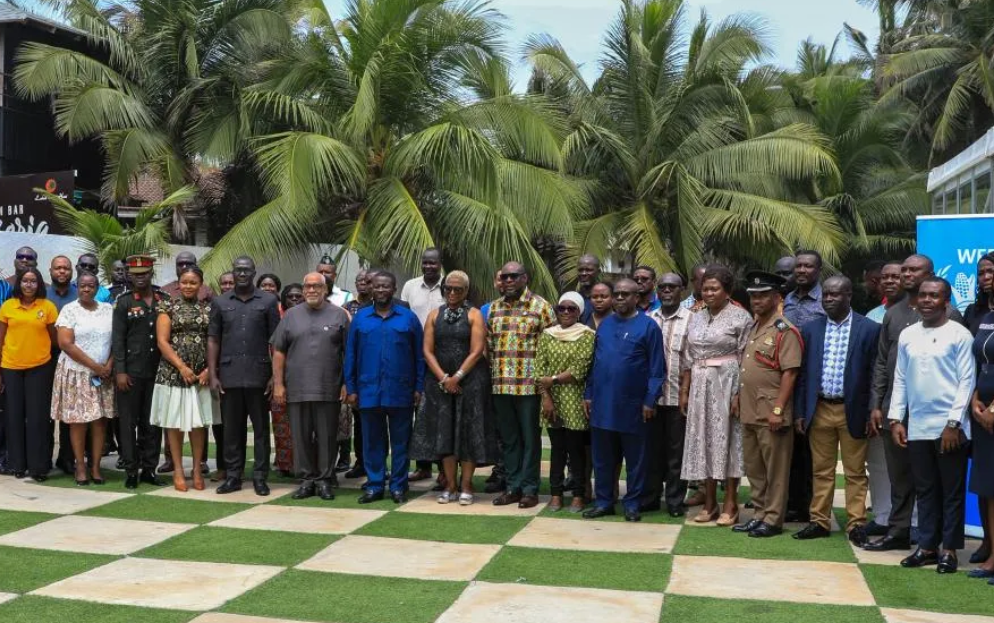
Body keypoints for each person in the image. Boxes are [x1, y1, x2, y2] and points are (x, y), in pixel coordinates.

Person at [866, 254, 963, 552]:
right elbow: (882, 363)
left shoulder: (952, 318)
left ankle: (929, 537)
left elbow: (961, 373)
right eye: (904, 269)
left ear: (930, 274)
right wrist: (877, 403)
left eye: (914, 270)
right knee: (899, 475)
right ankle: (898, 530)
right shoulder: (893, 314)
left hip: (936, 413)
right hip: (896, 407)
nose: (907, 274)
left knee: (933, 479)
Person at [889, 277, 973, 574]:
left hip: (951, 427)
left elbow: (966, 382)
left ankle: (948, 550)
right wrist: (896, 419)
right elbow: (900, 378)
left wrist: (954, 423)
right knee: (925, 489)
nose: (926, 300)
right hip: (918, 425)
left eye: (933, 296)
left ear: (946, 301)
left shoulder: (959, 335)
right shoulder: (908, 335)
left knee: (951, 491)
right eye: (923, 295)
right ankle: (926, 547)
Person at [794, 276, 880, 546]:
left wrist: (871, 411)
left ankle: (856, 524)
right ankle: (819, 520)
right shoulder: (811, 329)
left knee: (855, 471)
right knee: (821, 469)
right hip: (819, 408)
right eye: (826, 295)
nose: (829, 299)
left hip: (852, 409)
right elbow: (803, 376)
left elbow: (874, 374)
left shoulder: (868, 329)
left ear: (849, 296)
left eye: (835, 294)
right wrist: (800, 411)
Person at [583, 278, 665, 522]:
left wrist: (651, 399)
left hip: (633, 406)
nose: (620, 298)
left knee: (636, 459)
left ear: (637, 298)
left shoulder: (649, 327)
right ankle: (604, 501)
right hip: (602, 404)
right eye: (617, 294)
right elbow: (594, 363)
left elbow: (657, 369)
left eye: (625, 294)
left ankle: (632, 504)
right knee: (602, 458)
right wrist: (588, 394)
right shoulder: (605, 325)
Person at [412, 271, 495, 505]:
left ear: (466, 291)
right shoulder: (434, 315)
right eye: (448, 288)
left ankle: (467, 484)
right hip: (440, 383)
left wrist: (457, 377)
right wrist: (444, 378)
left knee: (467, 432)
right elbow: (427, 350)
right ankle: (451, 484)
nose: (452, 293)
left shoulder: (475, 315)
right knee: (445, 432)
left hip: (470, 382)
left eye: (458, 289)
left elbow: (477, 350)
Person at [681, 266, 754, 524]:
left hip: (727, 382)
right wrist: (685, 390)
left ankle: (731, 504)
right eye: (705, 288)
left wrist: (739, 395)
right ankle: (710, 502)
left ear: (727, 291)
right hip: (700, 384)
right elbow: (688, 355)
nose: (708, 293)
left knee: (728, 441)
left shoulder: (741, 317)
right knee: (704, 440)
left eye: (714, 288)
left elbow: (746, 357)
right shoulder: (696, 316)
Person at [731, 271, 802, 538]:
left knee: (776, 470)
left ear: (776, 298)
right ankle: (759, 513)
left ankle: (773, 519)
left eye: (762, 296)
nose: (757, 301)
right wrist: (738, 398)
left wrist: (778, 409)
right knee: (754, 467)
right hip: (750, 408)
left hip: (771, 410)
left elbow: (790, 372)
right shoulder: (754, 326)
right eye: (753, 296)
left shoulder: (785, 329)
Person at [345, 271, 424, 504]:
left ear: (394, 288)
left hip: (401, 390)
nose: (380, 290)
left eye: (385, 287)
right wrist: (351, 387)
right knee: (372, 441)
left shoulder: (408, 318)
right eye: (377, 286)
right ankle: (375, 485)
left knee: (401, 442)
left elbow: (419, 356)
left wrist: (418, 386)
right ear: (371, 288)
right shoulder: (361, 318)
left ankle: (399, 486)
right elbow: (351, 355)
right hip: (368, 390)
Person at [272, 272, 350, 501]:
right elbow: (278, 351)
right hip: (297, 388)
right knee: (301, 436)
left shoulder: (339, 315)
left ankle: (325, 480)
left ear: (326, 290)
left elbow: (349, 353)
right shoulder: (290, 316)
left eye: (317, 286)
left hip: (329, 388)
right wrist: (278, 384)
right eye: (308, 286)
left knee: (327, 438)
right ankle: (307, 480)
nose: (312, 290)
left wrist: (346, 383)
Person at [209, 256, 281, 496]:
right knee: (231, 429)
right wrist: (213, 373)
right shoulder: (219, 302)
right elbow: (213, 339)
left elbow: (276, 341)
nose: (242, 274)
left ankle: (260, 476)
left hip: (259, 375)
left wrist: (274, 376)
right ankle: (233, 476)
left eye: (246, 270)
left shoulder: (269, 301)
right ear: (232, 272)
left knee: (261, 429)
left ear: (253, 272)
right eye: (238, 270)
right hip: (229, 374)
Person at [488, 261, 555, 509]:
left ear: (524, 278)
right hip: (501, 386)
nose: (508, 281)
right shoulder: (494, 309)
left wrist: (545, 389)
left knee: (530, 439)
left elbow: (550, 350)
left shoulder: (541, 307)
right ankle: (512, 487)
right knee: (509, 440)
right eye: (504, 277)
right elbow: (489, 347)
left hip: (529, 387)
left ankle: (529, 489)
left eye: (513, 277)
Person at [151, 266, 216, 492]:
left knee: (199, 424)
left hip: (201, 374)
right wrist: (181, 367)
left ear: (201, 285)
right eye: (185, 282)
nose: (188, 286)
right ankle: (178, 469)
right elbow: (162, 341)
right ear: (179, 284)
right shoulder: (167, 306)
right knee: (175, 423)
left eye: (193, 282)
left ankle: (197, 468)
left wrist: (209, 369)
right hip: (173, 373)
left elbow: (215, 340)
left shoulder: (209, 308)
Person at [51, 272, 115, 486]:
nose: (86, 289)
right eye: (82, 286)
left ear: (97, 288)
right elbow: (65, 344)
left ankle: (95, 465)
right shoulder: (70, 310)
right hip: (77, 373)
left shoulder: (108, 310)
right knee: (79, 421)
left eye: (91, 286)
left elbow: (118, 340)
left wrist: (108, 366)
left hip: (104, 374)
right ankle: (79, 464)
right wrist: (95, 366)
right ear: (76, 288)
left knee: (99, 421)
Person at [535, 292, 594, 513]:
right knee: (557, 450)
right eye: (562, 308)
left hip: (575, 399)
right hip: (552, 400)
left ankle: (578, 495)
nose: (566, 312)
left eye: (572, 309)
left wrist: (554, 379)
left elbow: (580, 368)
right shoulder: (548, 334)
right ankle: (556, 494)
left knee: (576, 449)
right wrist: (546, 397)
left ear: (579, 312)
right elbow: (540, 368)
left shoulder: (587, 335)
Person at [113, 255, 167, 489]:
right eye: (135, 275)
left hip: (157, 372)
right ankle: (131, 470)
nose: (140, 278)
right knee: (128, 423)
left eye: (144, 273)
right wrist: (120, 371)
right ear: (129, 276)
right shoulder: (124, 302)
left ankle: (149, 468)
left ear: (151, 273)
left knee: (152, 423)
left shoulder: (162, 300)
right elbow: (118, 339)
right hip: (131, 373)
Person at [0, 268, 58, 480]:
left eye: (33, 281)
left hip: (39, 368)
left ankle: (38, 467)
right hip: (11, 367)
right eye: (25, 281)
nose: (29, 285)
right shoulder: (7, 306)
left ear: (39, 284)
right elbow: (1, 338)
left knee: (37, 419)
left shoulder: (47, 307)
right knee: (13, 417)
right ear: (19, 283)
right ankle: (17, 464)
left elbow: (54, 339)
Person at [644, 273, 692, 516]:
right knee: (652, 451)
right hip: (651, 400)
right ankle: (651, 497)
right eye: (662, 287)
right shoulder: (647, 318)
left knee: (676, 453)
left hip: (678, 398)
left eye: (672, 287)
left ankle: (674, 501)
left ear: (682, 290)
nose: (666, 291)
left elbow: (692, 362)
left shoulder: (692, 320)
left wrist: (685, 392)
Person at [782, 250, 824, 524]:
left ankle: (814, 507)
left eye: (808, 266)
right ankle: (792, 503)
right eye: (799, 266)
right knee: (791, 448)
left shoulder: (825, 300)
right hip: (787, 381)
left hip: (814, 380)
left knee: (814, 449)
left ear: (818, 270)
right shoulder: (786, 301)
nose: (802, 270)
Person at [863, 260, 903, 537]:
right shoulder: (873, 315)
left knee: (907, 466)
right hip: (879, 400)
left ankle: (910, 521)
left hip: (910, 404)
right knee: (877, 462)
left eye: (896, 276)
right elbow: (873, 364)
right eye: (884, 277)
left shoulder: (925, 313)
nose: (889, 281)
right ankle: (881, 515)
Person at [403, 248, 445, 484]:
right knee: (419, 413)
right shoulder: (410, 286)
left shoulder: (449, 285)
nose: (429, 267)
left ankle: (443, 468)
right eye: (425, 263)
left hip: (443, 357)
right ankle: (423, 466)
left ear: (440, 265)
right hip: (415, 356)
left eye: (433, 263)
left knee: (440, 414)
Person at [966, 254, 994, 569]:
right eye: (982, 272)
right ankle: (989, 545)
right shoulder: (975, 313)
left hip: (991, 413)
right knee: (986, 485)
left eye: (991, 271)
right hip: (980, 412)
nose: (985, 277)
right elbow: (979, 363)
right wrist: (975, 400)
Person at [339, 272, 368, 473]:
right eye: (360, 281)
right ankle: (360, 462)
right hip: (355, 372)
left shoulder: (380, 306)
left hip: (374, 370)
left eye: (368, 281)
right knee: (358, 422)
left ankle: (378, 464)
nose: (364, 284)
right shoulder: (346, 309)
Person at [576, 254, 601, 324]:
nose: (583, 273)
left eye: (588, 270)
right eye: (580, 270)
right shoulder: (575, 298)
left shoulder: (607, 297)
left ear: (598, 272)